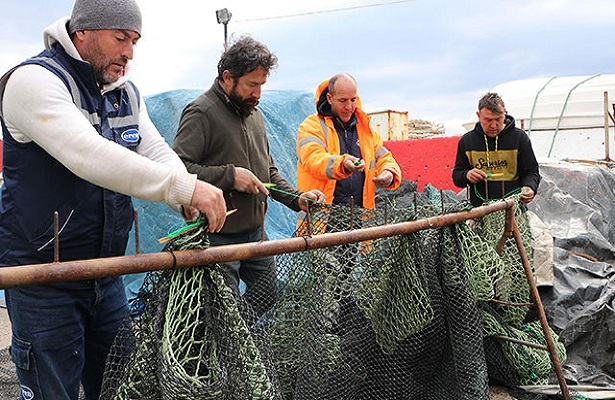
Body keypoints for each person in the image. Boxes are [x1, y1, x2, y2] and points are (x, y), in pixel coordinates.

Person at [0, 0, 227, 398]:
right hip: (44, 279)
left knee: (121, 387)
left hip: (107, 276)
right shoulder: (32, 81)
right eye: (120, 38)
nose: (129, 53)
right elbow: (87, 154)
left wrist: (185, 189)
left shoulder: (124, 94)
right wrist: (184, 188)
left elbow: (153, 150)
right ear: (82, 32)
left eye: (135, 41)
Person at [172, 36, 325, 317]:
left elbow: (269, 173)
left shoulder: (255, 115)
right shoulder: (201, 112)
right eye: (251, 85)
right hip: (217, 236)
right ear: (228, 78)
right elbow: (178, 168)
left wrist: (298, 199)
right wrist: (230, 176)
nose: (257, 94)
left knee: (267, 293)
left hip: (256, 233)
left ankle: (242, 347)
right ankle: (226, 351)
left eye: (261, 85)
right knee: (224, 311)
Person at [296, 73, 402, 211]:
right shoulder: (312, 126)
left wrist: (389, 172)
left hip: (359, 216)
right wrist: (342, 164)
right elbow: (313, 159)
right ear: (329, 98)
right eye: (343, 100)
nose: (349, 106)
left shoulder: (365, 130)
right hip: (321, 219)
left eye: (353, 100)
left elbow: (383, 156)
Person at [452, 92, 540, 207]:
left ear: (505, 114)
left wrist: (529, 187)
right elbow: (457, 176)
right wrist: (467, 175)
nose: (493, 125)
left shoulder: (519, 138)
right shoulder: (467, 142)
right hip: (479, 210)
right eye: (487, 120)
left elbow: (531, 172)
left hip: (513, 209)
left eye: (498, 119)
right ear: (478, 116)